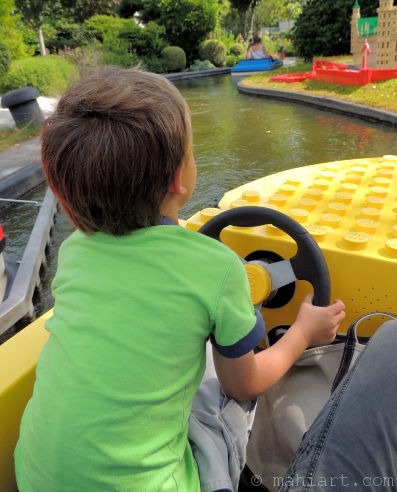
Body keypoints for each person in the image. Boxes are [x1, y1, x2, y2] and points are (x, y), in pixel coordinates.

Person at [14, 66, 345, 492]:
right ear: (180, 179)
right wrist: (301, 331)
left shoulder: (74, 251)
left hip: (35, 476)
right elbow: (244, 385)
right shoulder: (216, 267)